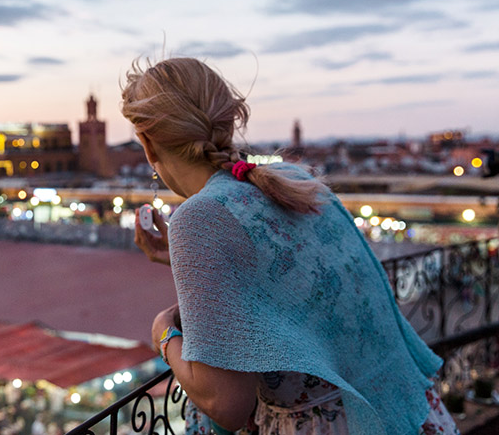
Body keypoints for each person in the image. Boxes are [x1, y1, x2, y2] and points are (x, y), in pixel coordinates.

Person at [122, 57, 459, 435]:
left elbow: (227, 403)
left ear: (148, 143)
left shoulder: (198, 217)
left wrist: (163, 333)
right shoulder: (291, 177)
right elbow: (286, 289)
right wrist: (184, 261)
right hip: (407, 411)